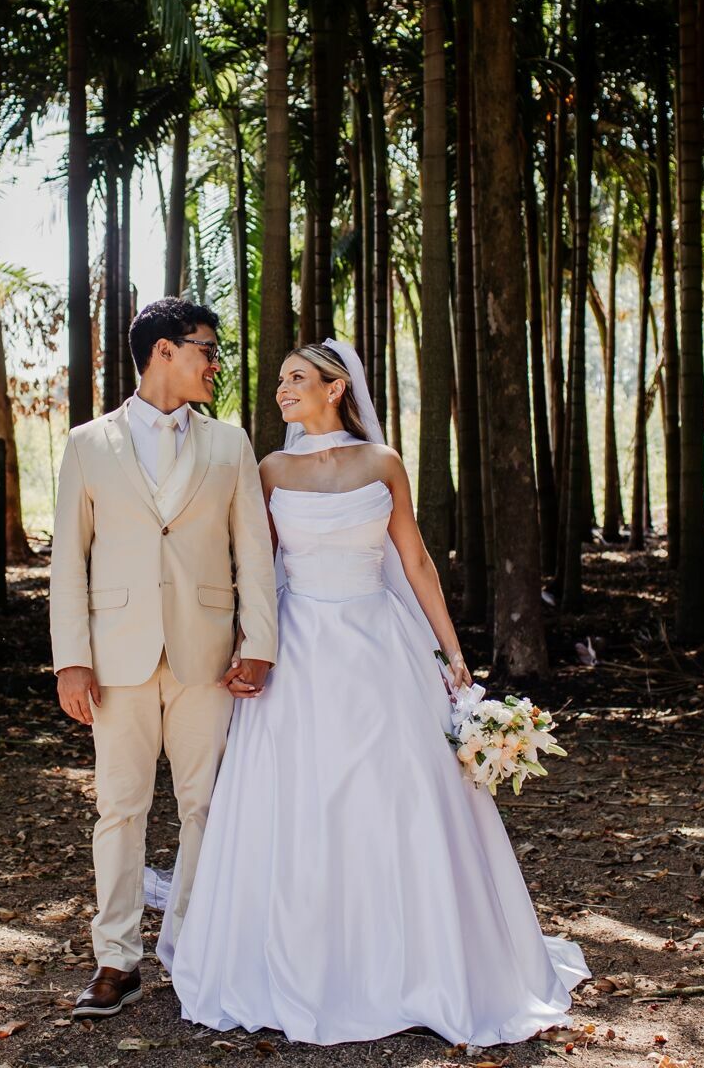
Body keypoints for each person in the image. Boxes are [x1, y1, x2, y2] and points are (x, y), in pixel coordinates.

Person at [162, 338, 591, 1046]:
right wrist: (250, 645)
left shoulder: (382, 464)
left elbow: (415, 559)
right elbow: (259, 568)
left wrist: (451, 651)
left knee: (398, 792)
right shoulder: (268, 469)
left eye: (296, 378)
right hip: (299, 650)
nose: (282, 390)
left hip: (378, 642)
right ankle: (305, 960)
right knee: (300, 794)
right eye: (279, 381)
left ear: (337, 388)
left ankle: (418, 962)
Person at [48, 298, 279, 1019]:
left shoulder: (230, 445)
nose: (216, 364)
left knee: (206, 805)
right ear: (162, 353)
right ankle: (116, 961)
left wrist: (260, 645)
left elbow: (254, 554)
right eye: (206, 350)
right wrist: (70, 660)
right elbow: (68, 561)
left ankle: (188, 950)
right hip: (115, 657)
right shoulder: (89, 444)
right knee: (119, 809)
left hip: (206, 655)